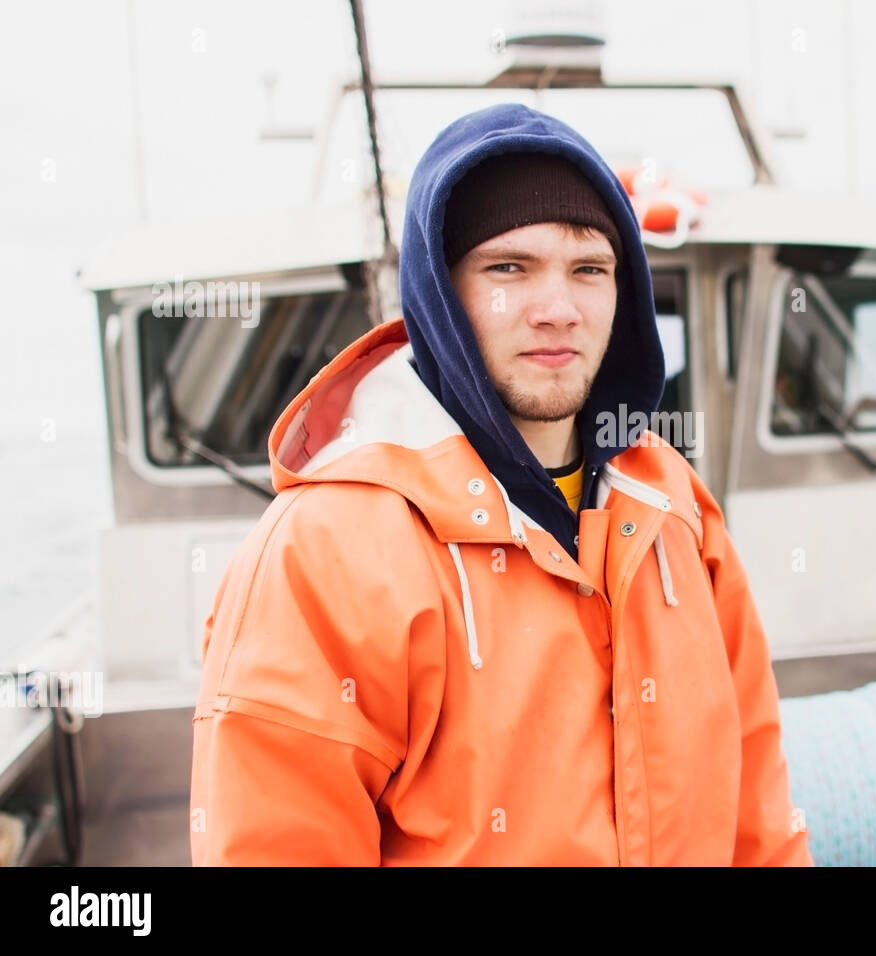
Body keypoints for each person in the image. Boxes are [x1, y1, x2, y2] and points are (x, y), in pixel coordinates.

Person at [189, 102, 812, 866]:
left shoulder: (675, 511)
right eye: (508, 268)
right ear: (442, 295)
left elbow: (760, 827)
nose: (557, 310)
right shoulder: (324, 555)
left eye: (589, 269)